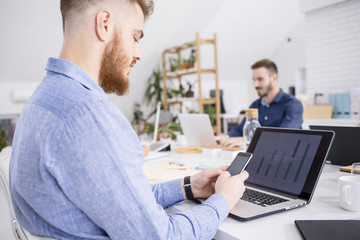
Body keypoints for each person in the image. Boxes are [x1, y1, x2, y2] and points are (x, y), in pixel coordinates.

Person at [9, 1, 249, 239]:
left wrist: (188, 186)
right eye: (135, 37)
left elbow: (124, 204)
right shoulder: (88, 114)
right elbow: (161, 237)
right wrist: (223, 200)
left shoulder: (42, 100)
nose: (139, 53)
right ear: (104, 24)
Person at [216, 59, 303, 147]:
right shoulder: (255, 105)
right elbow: (240, 129)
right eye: (254, 80)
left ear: (274, 78)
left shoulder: (293, 105)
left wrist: (247, 139)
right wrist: (225, 137)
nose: (255, 85)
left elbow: (284, 135)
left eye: (260, 79)